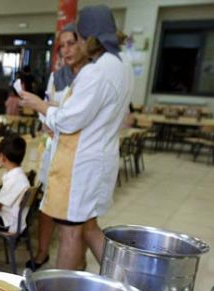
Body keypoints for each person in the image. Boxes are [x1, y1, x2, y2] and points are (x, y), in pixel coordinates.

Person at [19, 5, 132, 269]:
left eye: (79, 39)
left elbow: (69, 120)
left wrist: (39, 105)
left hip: (80, 165)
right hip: (100, 157)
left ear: (90, 37)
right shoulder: (121, 65)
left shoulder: (96, 71)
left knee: (70, 231)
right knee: (89, 227)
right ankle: (124, 281)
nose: (77, 45)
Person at [28, 23, 87, 269]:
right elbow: (47, 106)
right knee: (46, 203)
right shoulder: (57, 76)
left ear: (84, 42)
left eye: (70, 43)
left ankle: (77, 263)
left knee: (77, 217)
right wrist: (48, 119)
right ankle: (42, 252)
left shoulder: (90, 76)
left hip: (78, 152)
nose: (65, 50)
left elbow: (76, 116)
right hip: (54, 146)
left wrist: (55, 115)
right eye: (61, 46)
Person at [0, 135, 30, 234]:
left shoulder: (14, 180)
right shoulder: (19, 175)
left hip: (9, 222)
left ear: (3, 158)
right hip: (15, 218)